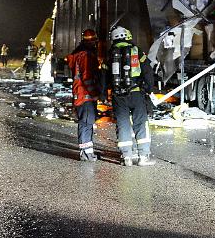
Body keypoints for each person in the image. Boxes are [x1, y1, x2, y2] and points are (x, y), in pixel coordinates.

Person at [107, 26, 155, 166]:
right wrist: (148, 89)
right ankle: (143, 157)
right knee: (140, 122)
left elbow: (103, 75)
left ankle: (126, 156)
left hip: (118, 96)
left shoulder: (110, 54)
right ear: (127, 36)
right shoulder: (137, 51)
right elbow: (147, 71)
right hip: (136, 93)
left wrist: (104, 92)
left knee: (123, 124)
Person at [66, 29, 102, 162]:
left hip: (81, 94)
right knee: (86, 122)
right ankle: (85, 153)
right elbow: (87, 78)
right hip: (85, 95)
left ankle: (88, 151)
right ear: (92, 41)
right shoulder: (86, 55)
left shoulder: (79, 54)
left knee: (87, 122)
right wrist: (95, 93)